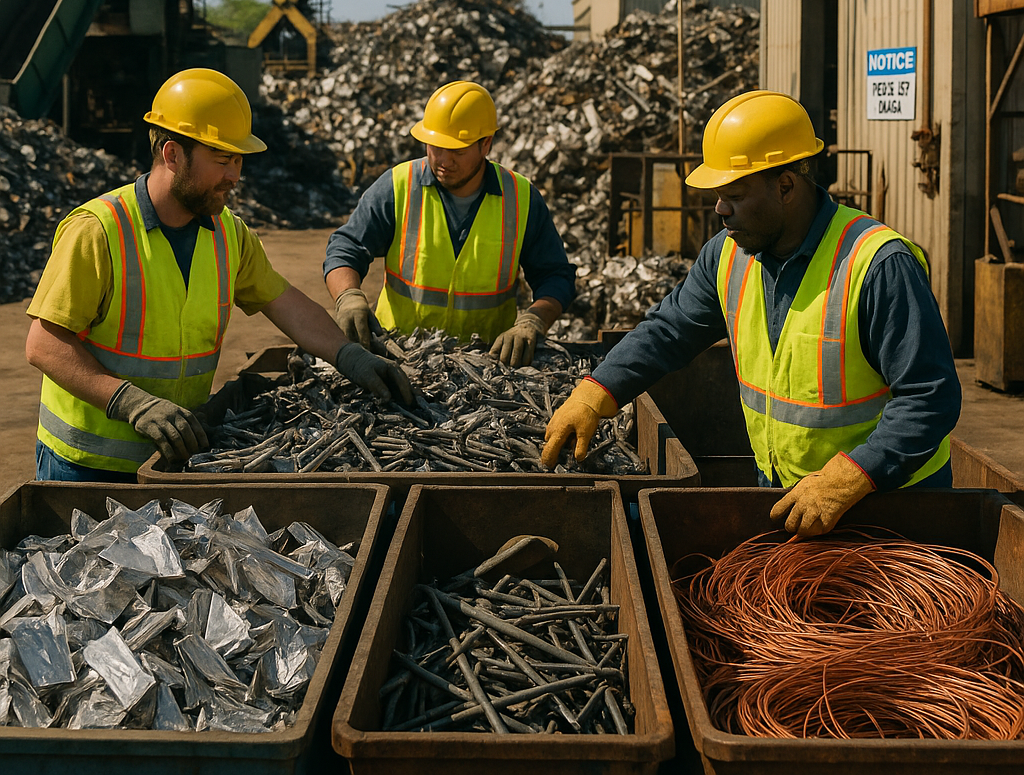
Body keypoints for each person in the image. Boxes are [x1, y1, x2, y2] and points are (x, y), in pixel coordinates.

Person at [542, 90, 962, 537]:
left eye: (734, 195)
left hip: (892, 507)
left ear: (785, 186)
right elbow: (669, 331)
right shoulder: (727, 255)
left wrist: (854, 475)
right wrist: (595, 392)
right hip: (789, 498)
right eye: (718, 195)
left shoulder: (877, 264)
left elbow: (930, 396)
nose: (720, 209)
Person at [25, 68, 413, 481]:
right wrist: (129, 402)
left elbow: (285, 303)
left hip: (172, 458)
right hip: (84, 466)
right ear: (172, 154)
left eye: (238, 160)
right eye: (223, 160)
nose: (235, 175)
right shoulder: (99, 230)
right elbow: (43, 344)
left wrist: (347, 355)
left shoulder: (228, 233)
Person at [324, 80, 576, 367]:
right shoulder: (398, 187)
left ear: (486, 144)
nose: (443, 160)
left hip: (489, 365)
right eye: (436, 147)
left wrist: (535, 319)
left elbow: (556, 276)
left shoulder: (520, 199)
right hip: (400, 356)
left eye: (457, 151)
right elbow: (347, 247)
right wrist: (348, 296)